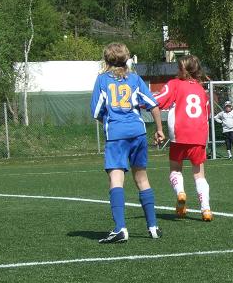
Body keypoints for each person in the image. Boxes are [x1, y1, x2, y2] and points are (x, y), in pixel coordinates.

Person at [91, 42, 165, 243]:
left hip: (116, 135)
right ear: (127, 59)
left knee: (116, 179)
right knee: (142, 178)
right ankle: (153, 227)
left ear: (106, 60)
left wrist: (110, 123)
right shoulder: (134, 78)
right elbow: (153, 105)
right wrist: (159, 129)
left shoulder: (102, 80)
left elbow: (96, 112)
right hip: (137, 132)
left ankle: (120, 229)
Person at [154, 54, 213, 221]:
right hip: (199, 134)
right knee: (199, 174)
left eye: (178, 68)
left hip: (179, 133)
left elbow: (158, 100)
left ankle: (180, 192)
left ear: (183, 70)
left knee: (175, 169)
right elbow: (207, 113)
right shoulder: (201, 89)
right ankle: (206, 209)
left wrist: (141, 100)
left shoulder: (175, 84)